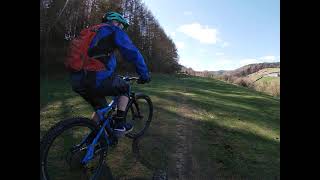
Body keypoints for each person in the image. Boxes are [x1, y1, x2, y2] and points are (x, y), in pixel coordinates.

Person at [70, 11, 151, 134]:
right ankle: (119, 123)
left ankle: (92, 142)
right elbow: (133, 53)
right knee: (125, 88)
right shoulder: (113, 30)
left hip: (77, 79)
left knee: (101, 110)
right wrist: (144, 74)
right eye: (122, 25)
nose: (122, 29)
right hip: (95, 78)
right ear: (116, 22)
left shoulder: (91, 31)